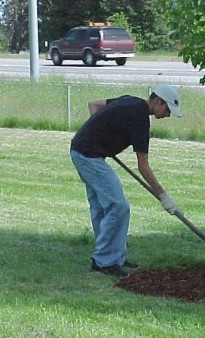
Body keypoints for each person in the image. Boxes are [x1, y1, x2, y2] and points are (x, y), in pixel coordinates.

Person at [70, 84, 183, 279]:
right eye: (167, 110)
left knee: (102, 207)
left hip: (85, 151)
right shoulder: (140, 119)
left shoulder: (131, 100)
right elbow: (143, 167)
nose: (168, 115)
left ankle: (114, 258)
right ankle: (104, 262)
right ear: (157, 101)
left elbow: (94, 104)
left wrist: (99, 130)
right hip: (88, 156)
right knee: (118, 206)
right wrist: (164, 198)